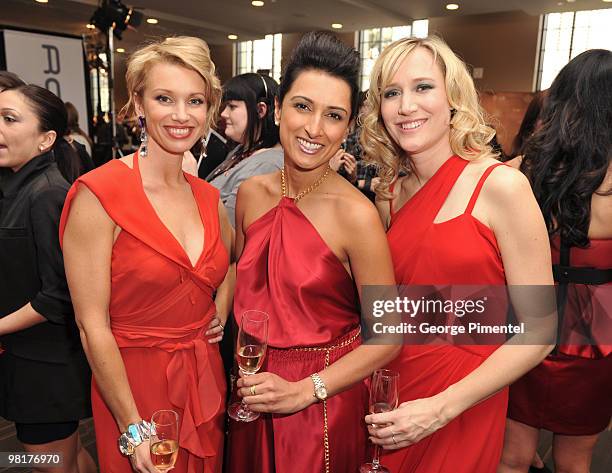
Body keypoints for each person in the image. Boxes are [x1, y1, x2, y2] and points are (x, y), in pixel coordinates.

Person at [360, 36, 555, 473]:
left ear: (454, 97)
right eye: (392, 93)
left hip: (461, 399)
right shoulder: (388, 194)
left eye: (423, 87)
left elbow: (540, 330)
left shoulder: (501, 187)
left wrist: (441, 408)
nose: (407, 105)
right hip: (390, 387)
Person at [226, 31, 400, 473]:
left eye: (334, 115)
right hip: (252, 390)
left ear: (348, 127)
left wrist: (307, 389)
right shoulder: (249, 193)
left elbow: (388, 336)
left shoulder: (356, 216)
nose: (314, 129)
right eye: (303, 106)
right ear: (280, 106)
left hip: (321, 402)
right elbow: (246, 275)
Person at [60, 37, 233, 473]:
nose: (180, 115)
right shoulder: (99, 194)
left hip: (204, 376)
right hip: (133, 387)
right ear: (138, 103)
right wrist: (132, 426)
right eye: (163, 98)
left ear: (209, 109)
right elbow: (90, 323)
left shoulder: (209, 197)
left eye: (195, 100)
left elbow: (230, 261)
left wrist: (222, 307)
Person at [500, 49, 612, 473]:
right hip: (597, 331)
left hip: (528, 316)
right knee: (574, 461)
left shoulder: (521, 170)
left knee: (511, 456)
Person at [0, 81, 94, 473]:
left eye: (8, 119)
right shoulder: (17, 186)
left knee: (46, 462)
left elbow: (60, 295)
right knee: (63, 456)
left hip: (47, 364)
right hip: (27, 358)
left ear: (46, 139)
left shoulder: (47, 194)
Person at [206, 73, 283, 227]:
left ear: (260, 110)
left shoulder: (267, 164)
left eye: (232, 107)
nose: (223, 114)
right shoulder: (243, 150)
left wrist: (191, 185)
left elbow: (231, 230)